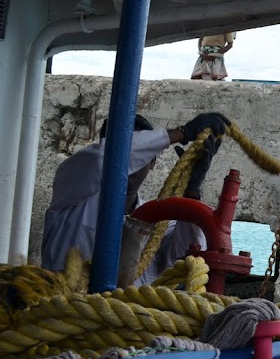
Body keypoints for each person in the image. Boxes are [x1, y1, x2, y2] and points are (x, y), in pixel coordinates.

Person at [41, 112, 231, 285]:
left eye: (138, 157)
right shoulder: (72, 188)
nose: (128, 166)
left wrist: (192, 191)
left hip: (129, 319)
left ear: (153, 163)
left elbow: (185, 258)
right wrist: (182, 133)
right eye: (133, 154)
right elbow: (103, 158)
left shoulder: (159, 221)